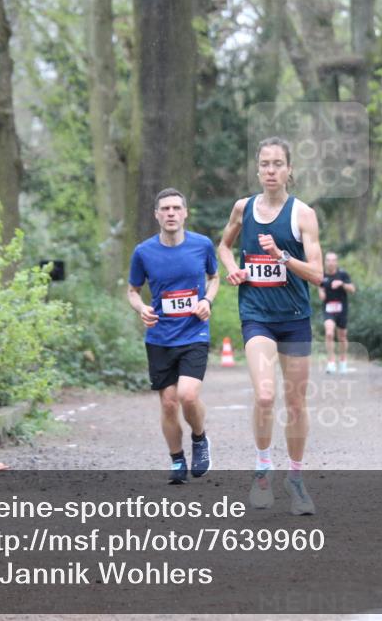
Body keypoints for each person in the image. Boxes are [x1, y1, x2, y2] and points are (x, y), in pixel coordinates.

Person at [217, 137, 323, 515]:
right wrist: (233, 270)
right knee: (265, 395)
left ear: (290, 169)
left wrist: (284, 257)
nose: (271, 170)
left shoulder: (303, 214)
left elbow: (317, 273)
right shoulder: (243, 209)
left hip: (294, 319)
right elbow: (224, 246)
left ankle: (295, 479)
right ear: (258, 169)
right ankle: (263, 471)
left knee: (295, 403)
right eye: (265, 164)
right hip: (257, 315)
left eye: (278, 163)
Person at [128, 188, 219, 484]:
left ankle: (200, 438)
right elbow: (132, 290)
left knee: (187, 395)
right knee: (168, 403)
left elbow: (214, 278)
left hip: (194, 333)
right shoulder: (143, 252)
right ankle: (177, 459)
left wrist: (207, 301)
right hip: (160, 338)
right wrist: (141, 307)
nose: (170, 213)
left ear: (185, 213)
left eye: (176, 208)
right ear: (157, 214)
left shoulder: (202, 245)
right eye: (165, 209)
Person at [318, 252, 356, 373]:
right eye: (328, 260)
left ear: (337, 262)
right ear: (325, 262)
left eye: (333, 260)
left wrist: (342, 284)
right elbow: (321, 294)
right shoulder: (321, 276)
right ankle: (331, 362)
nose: (331, 262)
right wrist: (321, 290)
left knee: (342, 337)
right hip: (328, 309)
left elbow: (352, 289)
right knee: (329, 333)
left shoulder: (343, 274)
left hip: (342, 310)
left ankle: (343, 361)